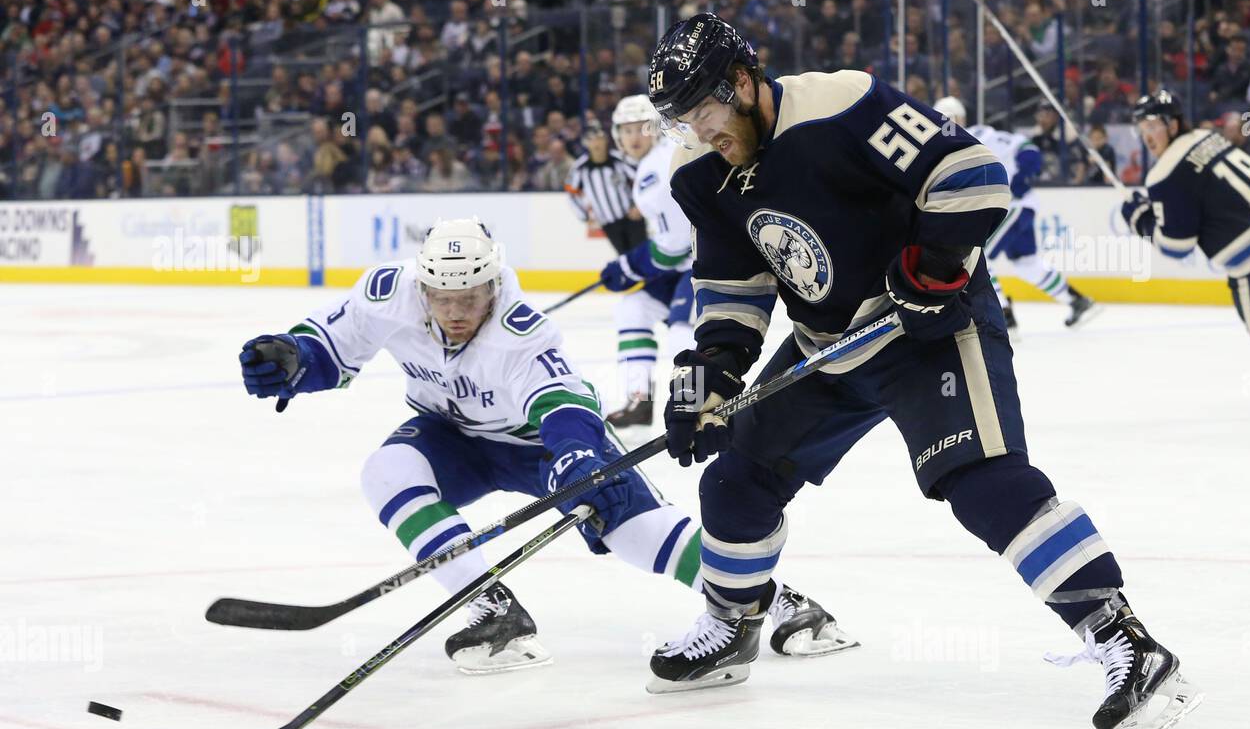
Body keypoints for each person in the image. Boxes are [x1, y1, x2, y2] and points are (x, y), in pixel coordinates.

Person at [644, 14, 1201, 729]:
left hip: (926, 330)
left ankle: (1123, 638)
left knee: (983, 483)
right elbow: (732, 281)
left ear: (742, 82)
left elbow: (970, 173)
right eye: (681, 117)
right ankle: (731, 623)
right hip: (829, 344)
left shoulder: (841, 102)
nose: (696, 128)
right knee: (735, 480)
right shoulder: (698, 169)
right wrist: (712, 372)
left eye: (705, 109)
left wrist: (932, 266)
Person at [238, 217, 855, 675]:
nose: (455, 312)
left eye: (470, 298)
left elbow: (562, 405)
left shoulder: (520, 331)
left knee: (637, 536)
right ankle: (491, 607)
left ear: (493, 285)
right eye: (443, 298)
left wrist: (575, 455)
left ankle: (774, 599)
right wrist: (292, 360)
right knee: (386, 472)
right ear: (422, 287)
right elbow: (330, 345)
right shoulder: (390, 294)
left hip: (540, 445)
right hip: (451, 435)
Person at [1123, 89, 1250, 379]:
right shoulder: (1211, 138)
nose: (1147, 137)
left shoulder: (1164, 172)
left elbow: (1177, 246)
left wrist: (1140, 220)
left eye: (1153, 125)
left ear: (1173, 124)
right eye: (1141, 129)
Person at [933, 96, 1101, 335]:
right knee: (1026, 263)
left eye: (949, 119)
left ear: (960, 118)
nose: (946, 125)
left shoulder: (977, 134)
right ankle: (1075, 300)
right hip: (1015, 208)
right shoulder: (946, 151)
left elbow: (1026, 148)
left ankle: (1002, 313)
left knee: (976, 254)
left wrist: (1021, 179)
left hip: (1012, 206)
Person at [598, 94, 697, 428]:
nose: (633, 137)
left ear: (655, 128)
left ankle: (693, 402)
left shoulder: (657, 167)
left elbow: (675, 245)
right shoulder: (655, 161)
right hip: (688, 263)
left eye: (641, 128)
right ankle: (640, 399)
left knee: (683, 330)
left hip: (707, 261)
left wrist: (629, 266)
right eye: (626, 131)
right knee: (634, 306)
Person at [564, 120, 644, 256]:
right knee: (625, 258)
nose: (596, 142)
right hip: (608, 223)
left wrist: (639, 205)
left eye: (599, 138)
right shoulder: (579, 168)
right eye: (591, 139)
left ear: (606, 140)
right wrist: (584, 216)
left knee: (642, 255)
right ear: (585, 143)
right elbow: (571, 193)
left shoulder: (620, 159)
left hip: (631, 218)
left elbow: (642, 178)